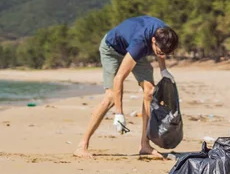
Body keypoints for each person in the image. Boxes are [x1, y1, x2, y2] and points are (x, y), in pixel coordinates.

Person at [74, 15, 179, 159]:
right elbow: (119, 79)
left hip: (134, 51)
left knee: (150, 92)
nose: (162, 55)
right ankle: (82, 146)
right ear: (153, 40)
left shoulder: (165, 34)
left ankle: (145, 145)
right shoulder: (140, 43)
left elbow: (162, 51)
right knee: (111, 97)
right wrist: (119, 113)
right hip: (111, 49)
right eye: (160, 52)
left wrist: (163, 70)